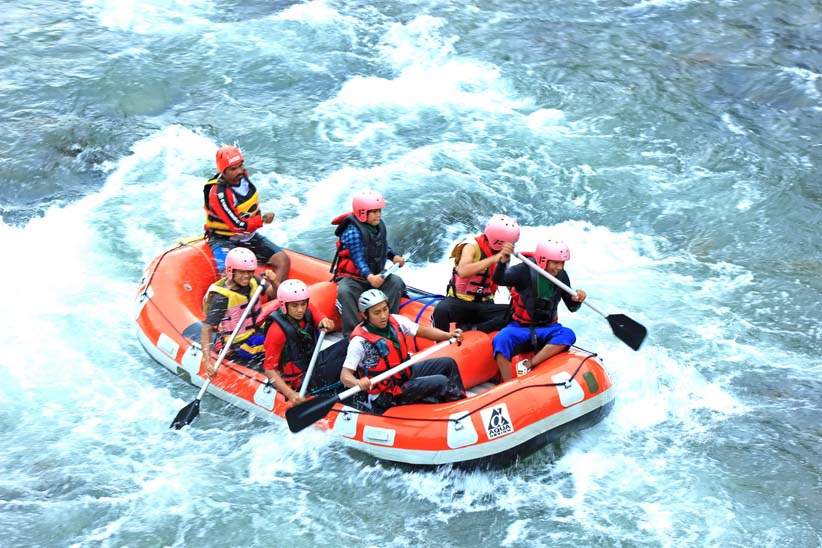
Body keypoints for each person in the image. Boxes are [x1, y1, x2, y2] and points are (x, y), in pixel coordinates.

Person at [339, 289, 466, 413]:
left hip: (405, 375)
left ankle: (461, 403)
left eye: (385, 309)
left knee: (448, 364)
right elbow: (345, 376)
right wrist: (357, 382)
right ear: (365, 315)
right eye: (376, 313)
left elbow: (423, 331)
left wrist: (448, 335)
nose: (383, 316)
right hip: (387, 394)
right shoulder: (359, 342)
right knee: (440, 382)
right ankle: (458, 413)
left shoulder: (396, 320)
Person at [491, 239, 587, 381]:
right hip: (521, 327)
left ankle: (530, 363)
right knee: (501, 339)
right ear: (543, 260)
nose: (560, 267)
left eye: (562, 263)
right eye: (555, 262)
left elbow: (572, 307)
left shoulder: (561, 276)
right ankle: (508, 384)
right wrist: (503, 261)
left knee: (568, 334)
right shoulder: (524, 270)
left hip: (547, 328)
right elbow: (499, 279)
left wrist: (578, 299)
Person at [203, 144, 289, 287]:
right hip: (224, 239)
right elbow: (238, 226)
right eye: (233, 169)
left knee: (283, 261)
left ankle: (275, 298)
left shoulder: (244, 178)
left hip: (247, 237)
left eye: (240, 166)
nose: (239, 171)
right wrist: (261, 220)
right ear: (223, 172)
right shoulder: (218, 193)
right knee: (232, 279)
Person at [331, 189, 406, 337]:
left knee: (396, 283)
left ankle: (387, 325)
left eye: (379, 211)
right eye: (374, 211)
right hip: (354, 279)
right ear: (362, 212)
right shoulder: (352, 231)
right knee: (345, 291)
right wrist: (370, 277)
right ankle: (353, 333)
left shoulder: (378, 226)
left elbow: (382, 246)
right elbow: (357, 258)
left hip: (374, 275)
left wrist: (394, 256)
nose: (379, 214)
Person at [262, 279, 348, 406]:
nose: (300, 310)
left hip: (313, 362)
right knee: (346, 363)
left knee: (352, 341)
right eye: (295, 305)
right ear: (284, 305)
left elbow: (323, 318)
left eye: (303, 304)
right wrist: (290, 394)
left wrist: (326, 321)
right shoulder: (276, 331)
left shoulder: (308, 309)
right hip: (301, 380)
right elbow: (269, 370)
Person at [432, 214, 520, 333]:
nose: (512, 246)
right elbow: (463, 271)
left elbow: (505, 279)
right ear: (499, 240)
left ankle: (473, 329)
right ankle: (442, 341)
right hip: (461, 303)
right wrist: (494, 259)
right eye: (510, 243)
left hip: (485, 304)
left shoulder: (503, 254)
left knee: (515, 313)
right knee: (441, 310)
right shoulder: (471, 246)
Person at [202, 247, 278, 377]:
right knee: (278, 343)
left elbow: (274, 293)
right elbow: (207, 328)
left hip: (255, 331)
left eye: (250, 272)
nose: (247, 276)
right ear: (231, 271)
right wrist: (207, 360)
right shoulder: (222, 297)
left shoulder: (252, 281)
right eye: (242, 272)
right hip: (238, 344)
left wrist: (274, 281)